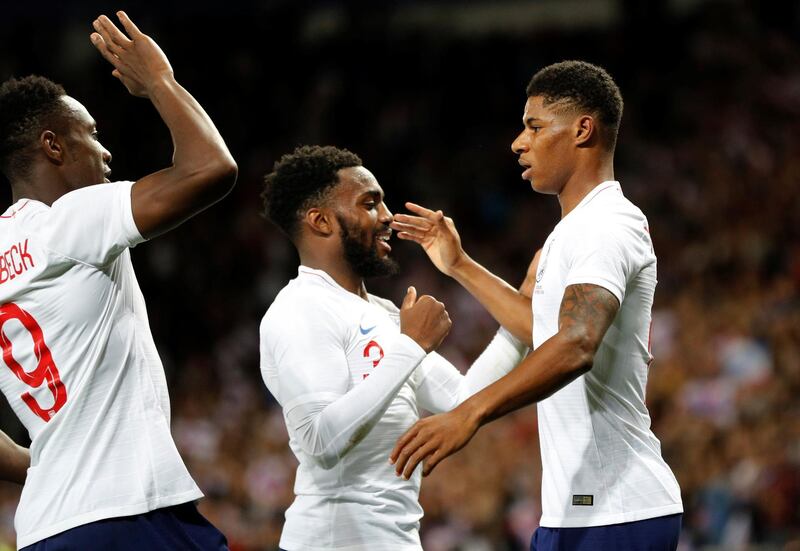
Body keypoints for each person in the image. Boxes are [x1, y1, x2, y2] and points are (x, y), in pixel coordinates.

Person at [389, 60, 684, 550]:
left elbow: (576, 342)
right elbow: (542, 328)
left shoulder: (608, 224)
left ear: (583, 129)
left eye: (534, 126)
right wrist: (460, 265)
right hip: (580, 512)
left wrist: (472, 413)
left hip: (619, 512)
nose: (518, 142)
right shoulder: (569, 233)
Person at [0, 12, 236, 550]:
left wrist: (51, 467)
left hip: (45, 529)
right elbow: (210, 169)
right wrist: (159, 80)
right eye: (92, 135)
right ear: (54, 146)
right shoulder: (66, 221)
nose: (106, 152)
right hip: (130, 516)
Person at [259, 145, 531, 551]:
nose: (386, 217)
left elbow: (462, 399)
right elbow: (319, 441)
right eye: (370, 204)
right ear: (320, 221)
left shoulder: (382, 313)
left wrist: (519, 319)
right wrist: (410, 346)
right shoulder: (300, 309)